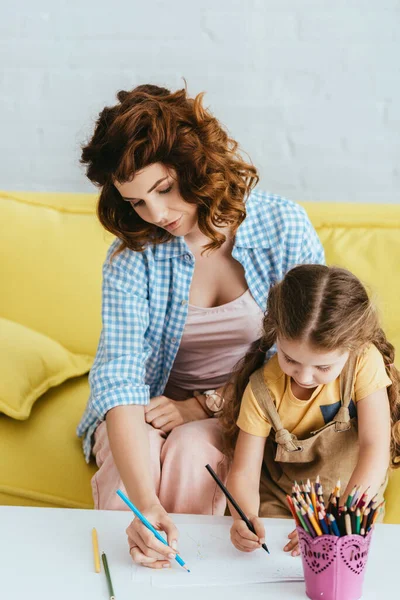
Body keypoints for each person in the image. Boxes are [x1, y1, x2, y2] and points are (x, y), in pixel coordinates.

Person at [76, 83, 325, 569]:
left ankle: (190, 576)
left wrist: (206, 405)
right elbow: (120, 377)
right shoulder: (133, 256)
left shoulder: (283, 227)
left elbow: (305, 351)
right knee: (135, 466)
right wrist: (145, 503)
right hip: (148, 404)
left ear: (196, 163)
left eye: (164, 190)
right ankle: (133, 565)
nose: (157, 215)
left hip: (247, 403)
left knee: (195, 452)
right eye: (136, 202)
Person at [222, 264, 400, 557]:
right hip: (281, 499)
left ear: (353, 346)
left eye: (323, 367)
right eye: (290, 359)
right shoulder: (261, 389)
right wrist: (244, 517)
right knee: (273, 565)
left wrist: (341, 517)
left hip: (353, 497)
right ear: (275, 333)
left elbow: (374, 449)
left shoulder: (364, 361)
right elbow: (244, 473)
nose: (303, 377)